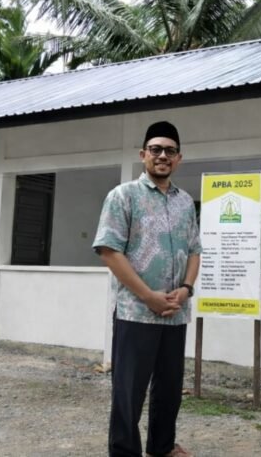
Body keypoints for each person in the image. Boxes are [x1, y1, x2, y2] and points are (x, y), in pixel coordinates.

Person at [93, 121, 201, 457]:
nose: (162, 156)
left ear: (179, 158)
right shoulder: (123, 196)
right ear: (143, 155)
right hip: (136, 312)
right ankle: (125, 451)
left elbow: (195, 250)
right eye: (156, 149)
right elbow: (110, 251)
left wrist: (185, 289)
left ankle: (162, 446)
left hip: (175, 312)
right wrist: (148, 296)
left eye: (170, 150)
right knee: (129, 391)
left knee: (168, 389)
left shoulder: (185, 202)